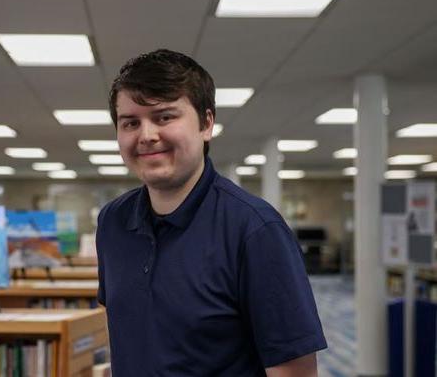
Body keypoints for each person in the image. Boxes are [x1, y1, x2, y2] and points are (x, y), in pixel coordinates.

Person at [96, 49, 326, 376]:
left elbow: (294, 371)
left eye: (164, 117)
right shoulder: (112, 223)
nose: (146, 135)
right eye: (130, 122)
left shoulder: (255, 230)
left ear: (206, 124)